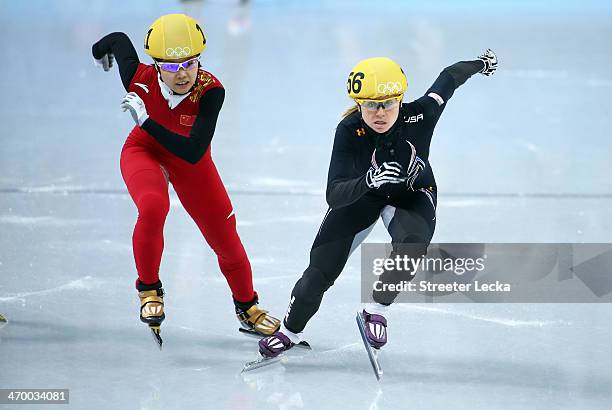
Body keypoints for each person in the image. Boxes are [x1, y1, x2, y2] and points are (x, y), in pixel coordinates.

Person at [258, 50, 498, 357]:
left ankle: (376, 310)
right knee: (318, 273)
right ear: (359, 105)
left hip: (412, 193)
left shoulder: (422, 113)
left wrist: (482, 64)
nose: (379, 113)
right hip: (363, 195)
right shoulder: (348, 130)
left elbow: (450, 76)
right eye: (370, 105)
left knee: (413, 245)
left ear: (400, 99)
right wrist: (369, 180)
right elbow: (334, 193)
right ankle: (290, 331)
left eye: (386, 103)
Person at [91, 13, 280, 344]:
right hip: (144, 153)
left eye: (190, 64)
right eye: (171, 65)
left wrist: (145, 119)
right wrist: (99, 53)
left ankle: (247, 307)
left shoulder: (211, 92)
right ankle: (149, 289)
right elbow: (118, 39)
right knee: (153, 206)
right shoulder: (139, 77)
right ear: (157, 64)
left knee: (225, 236)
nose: (182, 73)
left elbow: (193, 151)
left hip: (189, 159)